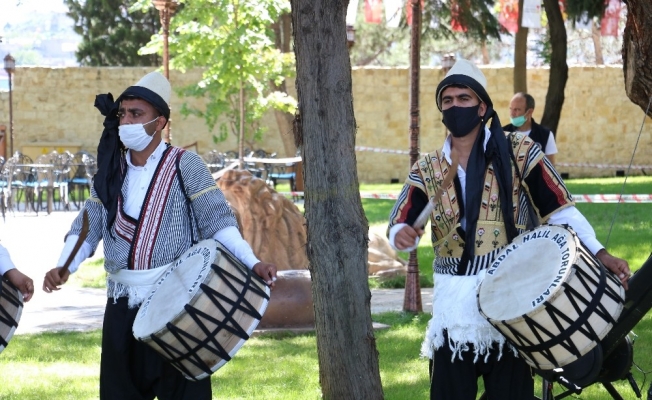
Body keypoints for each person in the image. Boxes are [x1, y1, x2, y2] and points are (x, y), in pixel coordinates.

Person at [387, 59, 630, 400]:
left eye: (464, 98)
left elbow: (561, 210)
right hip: (452, 310)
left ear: (482, 107)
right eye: (447, 100)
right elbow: (401, 219)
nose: (455, 106)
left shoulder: (520, 152)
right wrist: (401, 233)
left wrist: (600, 253)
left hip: (513, 303)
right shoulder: (428, 167)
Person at [41, 71, 277, 400]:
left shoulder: (186, 164)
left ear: (160, 122)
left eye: (136, 114)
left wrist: (252, 263)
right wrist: (64, 265)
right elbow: (88, 224)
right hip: (120, 307)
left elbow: (217, 222)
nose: (126, 122)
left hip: (177, 306)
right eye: (123, 114)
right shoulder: (110, 171)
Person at [503, 92, 558, 165]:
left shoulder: (545, 135)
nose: (512, 114)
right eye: (511, 109)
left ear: (530, 112)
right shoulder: (502, 133)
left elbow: (550, 166)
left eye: (517, 110)